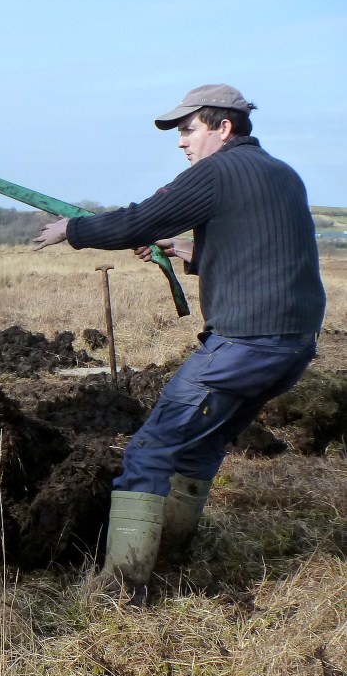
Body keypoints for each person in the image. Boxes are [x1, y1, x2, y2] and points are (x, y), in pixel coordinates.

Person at [32, 84, 325, 594]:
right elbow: (260, 253)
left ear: (223, 128)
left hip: (241, 347)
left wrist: (72, 230)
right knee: (198, 451)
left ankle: (121, 590)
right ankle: (170, 558)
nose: (181, 143)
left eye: (189, 130)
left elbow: (139, 219)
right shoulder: (282, 174)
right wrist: (186, 249)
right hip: (292, 347)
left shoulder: (218, 171)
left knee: (150, 451)